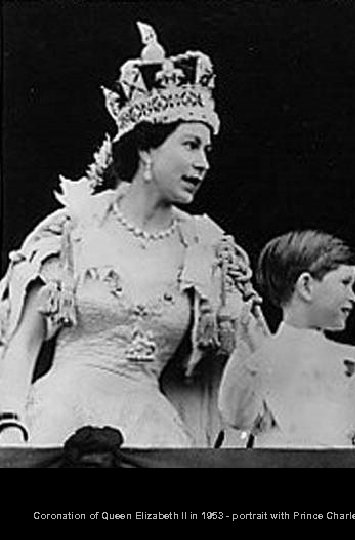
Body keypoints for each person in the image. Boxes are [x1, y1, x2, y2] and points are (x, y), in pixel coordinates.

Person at [0, 22, 268, 447]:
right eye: (190, 145)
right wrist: (10, 427)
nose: (203, 163)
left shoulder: (205, 247)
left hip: (151, 432)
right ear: (146, 149)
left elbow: (246, 368)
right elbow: (22, 346)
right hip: (57, 422)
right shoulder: (73, 229)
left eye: (207, 150)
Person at [218, 230, 355, 448]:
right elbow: (236, 418)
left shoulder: (354, 361)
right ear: (306, 286)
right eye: (345, 282)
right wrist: (249, 355)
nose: (353, 296)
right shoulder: (257, 358)